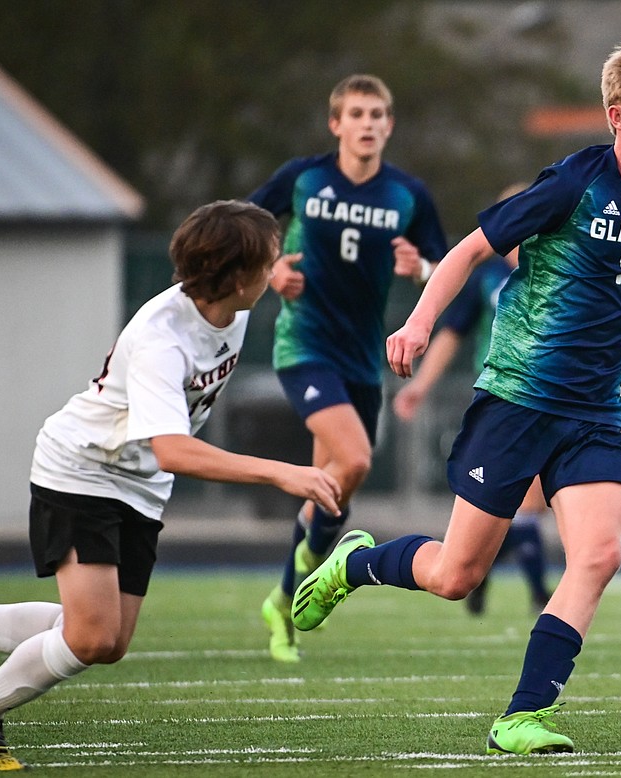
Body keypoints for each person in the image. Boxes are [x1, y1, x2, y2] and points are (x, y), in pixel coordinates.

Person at [293, 32, 621, 755]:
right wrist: (419, 323)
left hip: (592, 417)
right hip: (518, 402)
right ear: (618, 116)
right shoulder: (572, 183)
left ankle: (523, 713)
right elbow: (469, 251)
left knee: (599, 555)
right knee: (457, 575)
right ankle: (357, 562)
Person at [0, 200, 342, 771]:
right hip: (81, 471)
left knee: (108, 640)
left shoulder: (232, 302)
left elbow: (162, 454)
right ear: (236, 277)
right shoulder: (162, 339)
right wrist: (279, 470)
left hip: (139, 484)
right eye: (268, 263)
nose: (276, 271)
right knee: (91, 637)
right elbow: (173, 448)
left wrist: (291, 274)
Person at [246, 74, 447, 663]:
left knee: (329, 488)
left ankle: (283, 601)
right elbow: (241, 233)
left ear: (389, 124)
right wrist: (270, 272)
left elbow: (446, 268)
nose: (367, 123)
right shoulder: (305, 179)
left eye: (377, 114)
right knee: (356, 459)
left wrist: (421, 269)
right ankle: (313, 562)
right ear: (336, 124)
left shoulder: (408, 195)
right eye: (356, 113)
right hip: (305, 346)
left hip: (364, 358)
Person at [392, 183, 552, 616]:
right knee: (515, 505)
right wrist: (420, 386)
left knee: (525, 505)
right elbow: (452, 332)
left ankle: (497, 580)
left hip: (558, 402)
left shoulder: (562, 272)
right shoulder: (488, 278)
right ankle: (533, 592)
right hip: (503, 398)